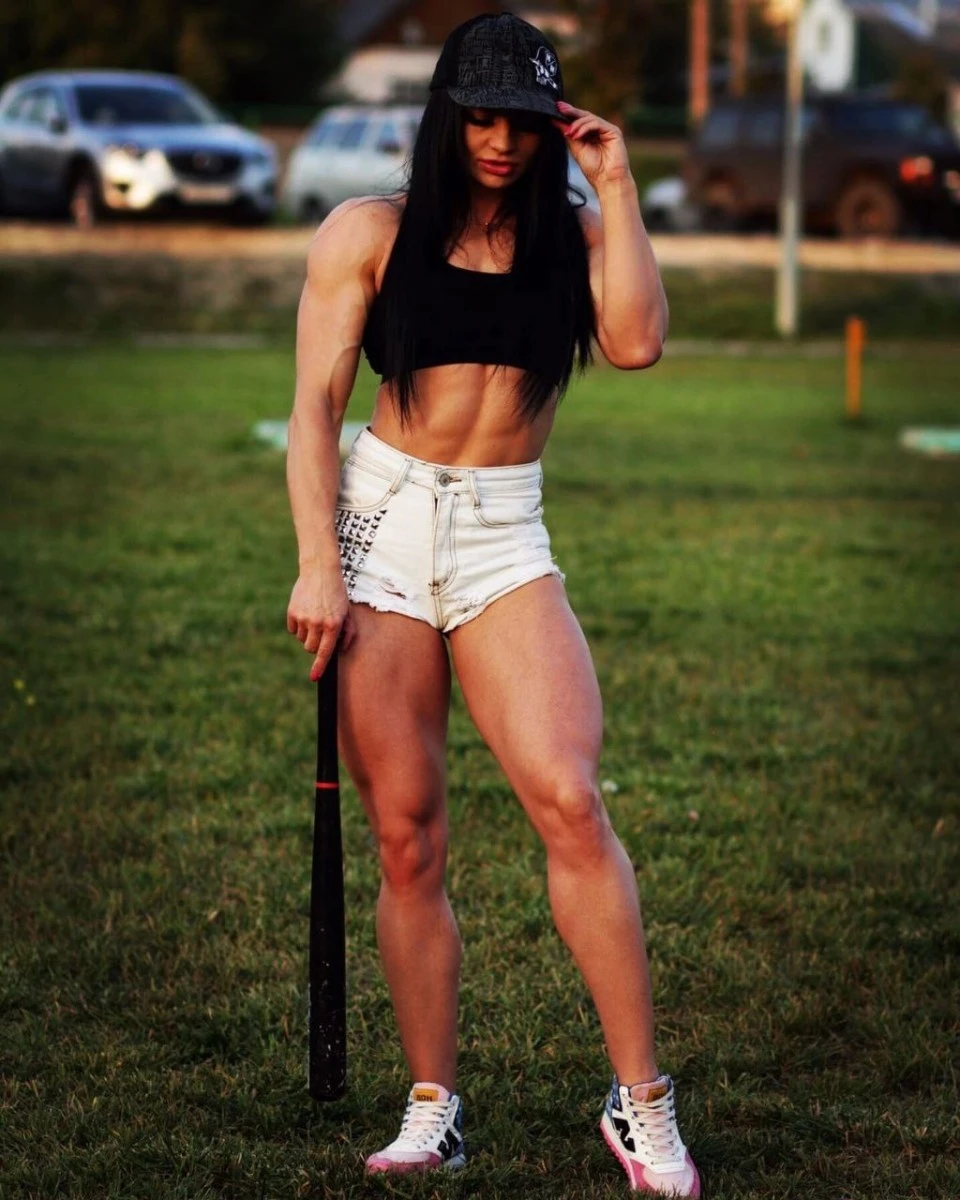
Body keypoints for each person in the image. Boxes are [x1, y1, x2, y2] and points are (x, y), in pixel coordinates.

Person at [285, 13, 700, 1197]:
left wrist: (616, 183)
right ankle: (434, 1107)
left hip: (504, 535)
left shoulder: (577, 236)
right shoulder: (368, 233)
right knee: (408, 832)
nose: (500, 144)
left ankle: (642, 1102)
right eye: (479, 119)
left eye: (522, 123)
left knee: (569, 798)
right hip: (379, 529)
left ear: (551, 126)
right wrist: (317, 562)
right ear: (445, 117)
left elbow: (638, 343)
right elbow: (313, 409)